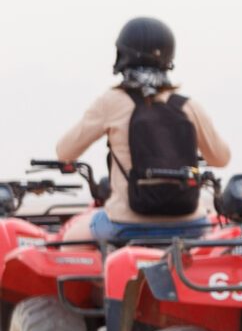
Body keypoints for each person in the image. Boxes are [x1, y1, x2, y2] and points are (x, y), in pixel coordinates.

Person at [56, 17, 231, 242]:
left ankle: (102, 278)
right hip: (191, 223)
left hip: (127, 223)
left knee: (70, 239)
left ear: (124, 56)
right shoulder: (188, 106)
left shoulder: (111, 102)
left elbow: (64, 152)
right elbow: (221, 158)